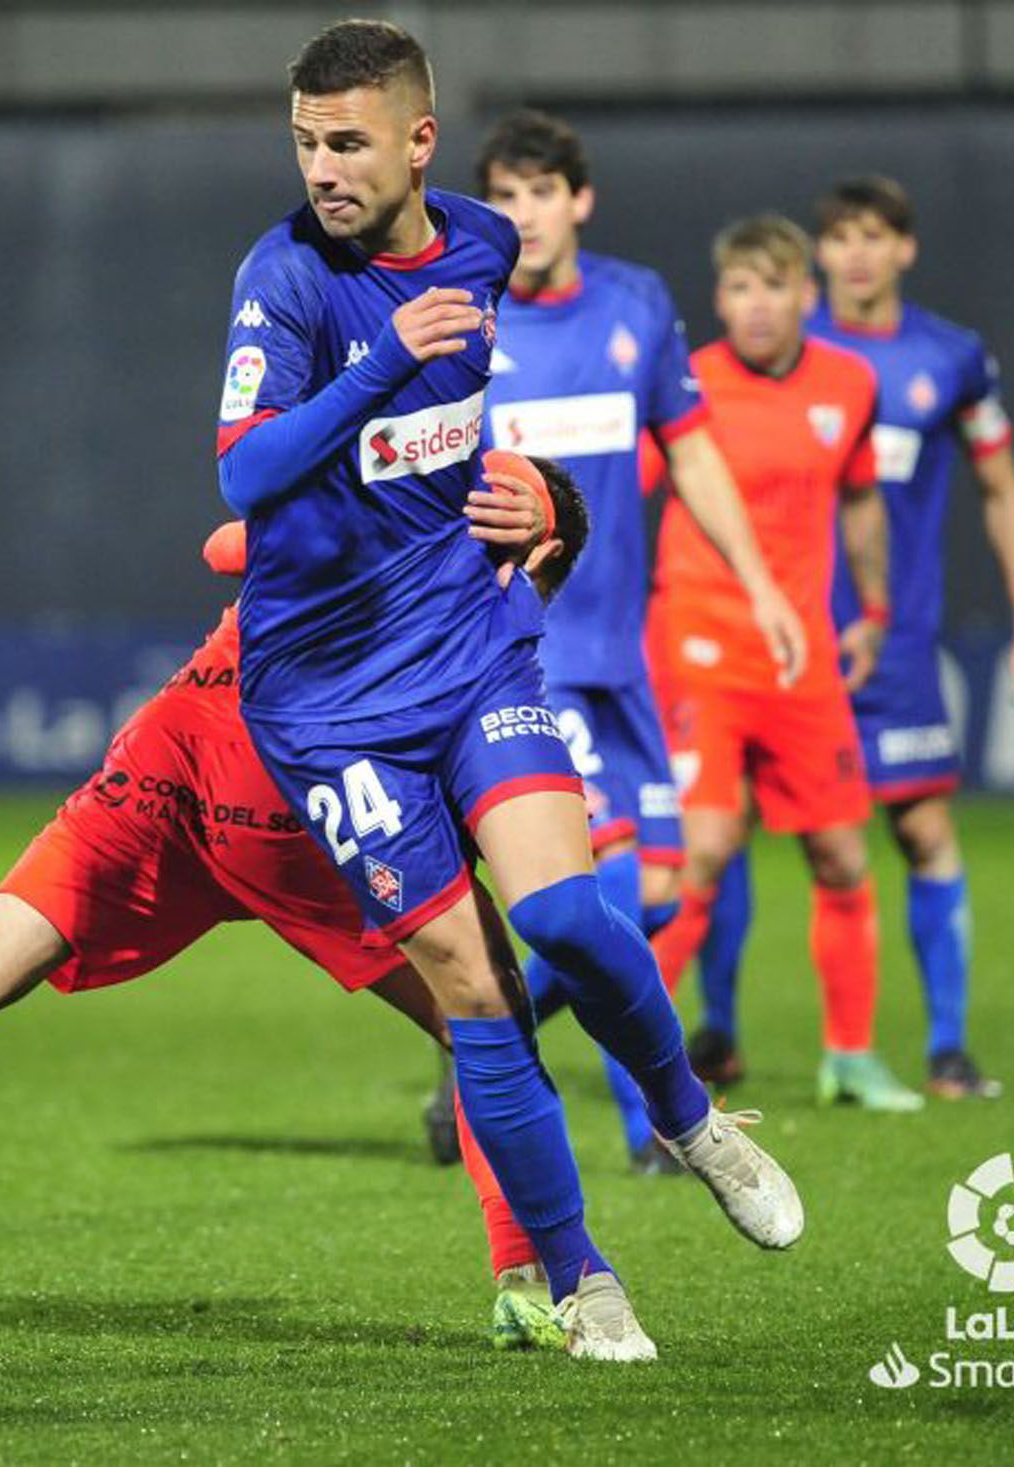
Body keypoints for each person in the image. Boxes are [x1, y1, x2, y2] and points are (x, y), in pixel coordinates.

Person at [0, 459, 596, 1355]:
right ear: (540, 557)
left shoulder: (373, 513)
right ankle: (519, 1278)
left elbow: (223, 545)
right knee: (486, 1016)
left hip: (169, 749)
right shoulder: (476, 626)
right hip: (290, 799)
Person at [215, 19, 801, 1361]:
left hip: (472, 643)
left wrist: (528, 490)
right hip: (325, 704)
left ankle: (691, 1119)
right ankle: (584, 1276)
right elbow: (244, 478)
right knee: (479, 994)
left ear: (420, 140)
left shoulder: (483, 241)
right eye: (305, 141)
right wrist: (379, 368)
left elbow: (457, 433)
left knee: (576, 915)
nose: (323, 168)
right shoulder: (284, 278)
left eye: (348, 140)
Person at [447, 108, 805, 1174]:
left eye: (539, 194)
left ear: (577, 200)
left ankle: (483, 1037)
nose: (522, 216)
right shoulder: (460, 316)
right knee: (602, 893)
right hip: (521, 655)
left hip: (623, 656)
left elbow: (690, 456)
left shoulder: (636, 304)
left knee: (652, 893)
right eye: (502, 197)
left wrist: (762, 588)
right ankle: (657, 1125)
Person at [687, 177, 1014, 1101]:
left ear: (905, 249)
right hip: (761, 644)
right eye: (839, 237)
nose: (856, 253)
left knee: (918, 829)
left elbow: (999, 487)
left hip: (880, 643)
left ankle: (943, 1046)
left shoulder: (949, 359)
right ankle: (715, 1032)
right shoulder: (757, 355)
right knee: (718, 835)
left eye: (875, 235)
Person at [644, 213, 922, 1112]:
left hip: (799, 658)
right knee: (704, 850)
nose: (754, 307)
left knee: (843, 856)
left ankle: (850, 1056)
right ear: (719, 300)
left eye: (772, 287)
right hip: (698, 647)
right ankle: (644, 1062)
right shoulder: (688, 387)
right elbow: (622, 487)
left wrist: (873, 612)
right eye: (737, 289)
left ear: (807, 294)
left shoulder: (849, 383)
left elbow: (863, 502)